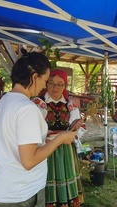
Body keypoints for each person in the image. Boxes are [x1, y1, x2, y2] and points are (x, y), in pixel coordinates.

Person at [0, 49, 77, 207]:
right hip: (20, 195)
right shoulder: (27, 109)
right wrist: (61, 138)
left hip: (2, 188)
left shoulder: (5, 100)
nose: (44, 86)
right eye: (46, 80)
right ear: (35, 77)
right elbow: (29, 161)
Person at [41, 69, 84, 207]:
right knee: (49, 177)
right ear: (46, 84)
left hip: (66, 150)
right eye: (51, 83)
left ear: (65, 86)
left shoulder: (70, 106)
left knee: (65, 174)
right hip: (46, 149)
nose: (55, 88)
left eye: (60, 84)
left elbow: (79, 130)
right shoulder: (38, 104)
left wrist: (75, 127)